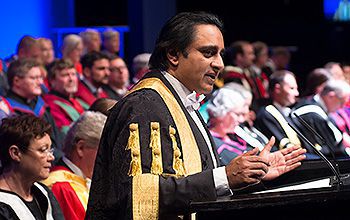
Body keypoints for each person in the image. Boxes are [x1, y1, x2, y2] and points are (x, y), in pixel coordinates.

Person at [86, 11, 306, 219]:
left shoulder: (183, 100)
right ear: (173, 54)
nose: (219, 64)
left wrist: (253, 174)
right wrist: (226, 176)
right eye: (208, 53)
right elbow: (139, 197)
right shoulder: (145, 105)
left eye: (221, 54)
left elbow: (199, 177)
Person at [43, 111, 107, 220]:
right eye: (103, 152)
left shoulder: (86, 180)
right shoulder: (60, 187)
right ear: (81, 148)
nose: (107, 160)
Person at [0, 114, 64, 219]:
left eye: (50, 149)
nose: (51, 157)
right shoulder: (3, 207)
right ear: (16, 153)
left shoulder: (43, 193)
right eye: (43, 150)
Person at [292, 79, 350, 158]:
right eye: (342, 102)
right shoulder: (313, 114)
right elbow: (330, 148)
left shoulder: (316, 106)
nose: (342, 107)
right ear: (331, 96)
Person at [207, 87, 254, 165]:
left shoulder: (234, 133)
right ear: (221, 113)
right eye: (237, 114)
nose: (241, 120)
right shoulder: (214, 144)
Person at [43, 59, 85, 134]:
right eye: (65, 75)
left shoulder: (74, 101)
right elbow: (65, 132)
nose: (71, 79)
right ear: (52, 80)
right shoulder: (50, 104)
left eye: (73, 74)